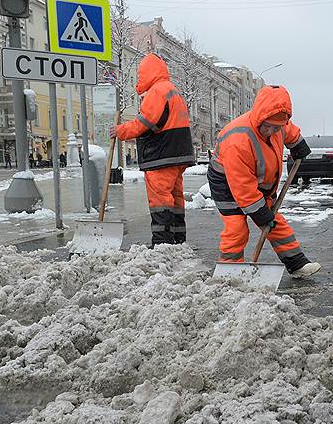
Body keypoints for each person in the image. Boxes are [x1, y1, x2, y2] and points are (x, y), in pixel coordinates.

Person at [207, 85, 321, 278]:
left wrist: (297, 143)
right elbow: (242, 185)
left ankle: (297, 263)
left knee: (274, 221)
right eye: (267, 126)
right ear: (260, 116)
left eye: (276, 127)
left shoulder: (279, 124)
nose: (271, 131)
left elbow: (289, 130)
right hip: (226, 182)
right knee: (236, 228)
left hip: (257, 182)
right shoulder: (239, 139)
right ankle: (229, 271)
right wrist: (259, 212)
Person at [110, 53, 193, 245]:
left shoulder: (157, 92)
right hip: (177, 154)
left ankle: (162, 243)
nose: (139, 79)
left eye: (140, 75)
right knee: (175, 198)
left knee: (160, 200)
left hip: (161, 155)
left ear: (148, 73)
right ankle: (178, 240)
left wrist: (120, 130)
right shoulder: (172, 90)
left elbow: (143, 123)